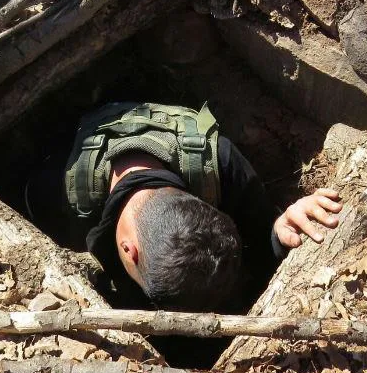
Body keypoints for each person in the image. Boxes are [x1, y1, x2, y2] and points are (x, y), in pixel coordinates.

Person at [61, 102, 343, 312]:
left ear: (205, 205)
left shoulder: (218, 165)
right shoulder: (66, 191)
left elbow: (259, 236)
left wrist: (279, 231)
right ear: (128, 250)